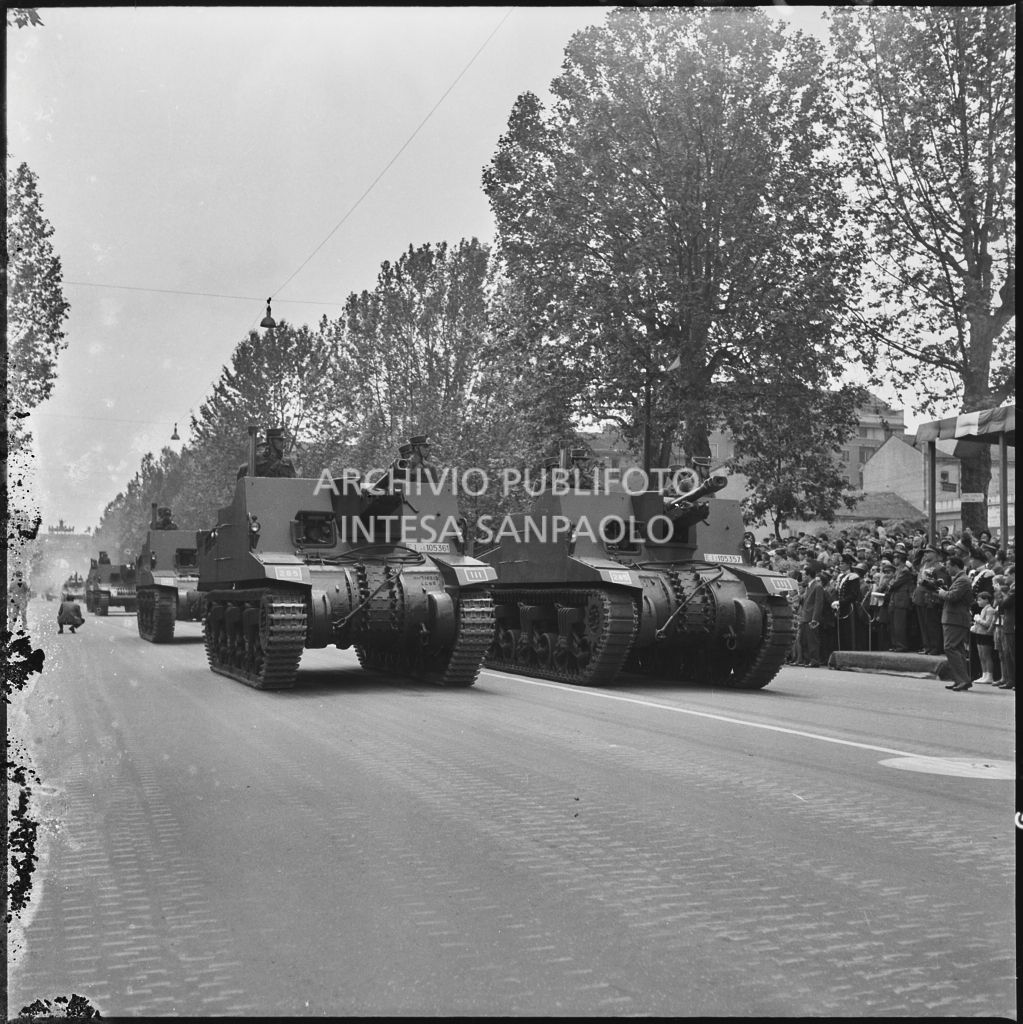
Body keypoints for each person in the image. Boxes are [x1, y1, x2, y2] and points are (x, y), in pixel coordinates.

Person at [939, 555, 975, 691]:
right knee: (957, 649)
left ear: (955, 566)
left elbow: (952, 596)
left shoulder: (963, 580)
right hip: (954, 619)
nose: (947, 569)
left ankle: (963, 680)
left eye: (948, 566)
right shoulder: (960, 579)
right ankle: (960, 679)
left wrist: (941, 592)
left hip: (956, 620)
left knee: (950, 647)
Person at [886, 551, 917, 652]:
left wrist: (890, 584)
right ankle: (896, 645)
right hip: (895, 599)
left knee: (900, 625)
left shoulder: (905, 570)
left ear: (900, 559)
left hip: (901, 600)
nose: (894, 559)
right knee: (894, 625)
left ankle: (901, 645)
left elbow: (894, 583)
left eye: (896, 557)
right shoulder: (898, 570)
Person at [797, 561, 825, 667]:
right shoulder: (808, 587)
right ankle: (807, 659)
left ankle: (814, 660)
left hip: (810, 618)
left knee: (812, 641)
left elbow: (818, 604)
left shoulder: (817, 586)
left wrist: (815, 619)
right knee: (804, 640)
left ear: (808, 575)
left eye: (804, 575)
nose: (802, 577)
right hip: (804, 617)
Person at [969, 591, 997, 683]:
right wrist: (975, 624)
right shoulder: (983, 609)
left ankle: (989, 675)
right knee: (981, 656)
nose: (978, 602)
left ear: (986, 600)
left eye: (980, 600)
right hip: (980, 634)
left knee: (986, 655)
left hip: (986, 635)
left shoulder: (990, 610)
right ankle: (984, 674)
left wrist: (978, 620)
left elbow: (987, 624)